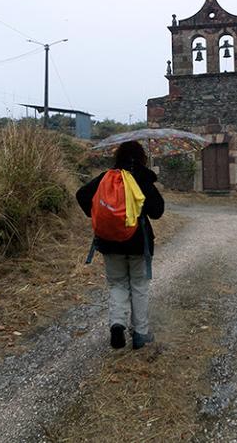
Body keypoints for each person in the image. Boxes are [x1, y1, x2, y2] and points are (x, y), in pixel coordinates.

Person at [76, 140, 164, 350]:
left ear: (119, 156)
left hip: (110, 242)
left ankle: (117, 324)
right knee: (139, 286)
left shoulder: (107, 177)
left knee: (117, 284)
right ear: (141, 156)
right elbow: (157, 212)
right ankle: (140, 333)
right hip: (138, 244)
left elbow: (81, 195)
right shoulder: (143, 178)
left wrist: (98, 214)